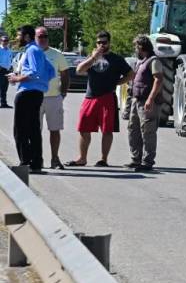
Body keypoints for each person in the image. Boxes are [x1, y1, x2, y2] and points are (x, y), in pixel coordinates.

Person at [67, 31, 133, 167]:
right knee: (83, 128)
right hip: (90, 97)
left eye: (104, 42)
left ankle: (103, 159)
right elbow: (79, 70)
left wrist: (118, 82)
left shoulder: (116, 59)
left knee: (107, 130)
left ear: (109, 43)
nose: (102, 45)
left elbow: (131, 74)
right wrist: (93, 58)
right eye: (99, 42)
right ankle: (82, 158)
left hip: (107, 97)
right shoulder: (91, 57)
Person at [7, 25, 55, 174]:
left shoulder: (32, 50)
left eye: (18, 35)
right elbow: (51, 71)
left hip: (27, 93)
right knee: (33, 129)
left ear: (27, 36)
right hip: (36, 93)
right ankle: (35, 164)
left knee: (20, 130)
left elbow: (34, 72)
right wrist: (40, 84)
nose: (17, 38)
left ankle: (25, 163)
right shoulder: (37, 50)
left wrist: (17, 78)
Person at [126, 35, 163, 172]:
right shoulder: (140, 61)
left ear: (141, 47)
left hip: (147, 102)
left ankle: (147, 162)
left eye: (136, 46)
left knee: (148, 131)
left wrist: (150, 99)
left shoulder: (154, 61)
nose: (135, 49)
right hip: (137, 100)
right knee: (133, 129)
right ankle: (136, 159)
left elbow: (158, 80)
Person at [35, 27, 70, 169]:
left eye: (45, 36)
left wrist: (63, 93)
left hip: (53, 98)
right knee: (35, 131)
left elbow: (65, 74)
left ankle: (55, 159)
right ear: (35, 38)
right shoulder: (30, 53)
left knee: (55, 130)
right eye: (40, 36)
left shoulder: (56, 54)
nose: (43, 39)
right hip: (34, 98)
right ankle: (37, 160)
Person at [0, 35, 13, 108]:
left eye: (7, 41)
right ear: (1, 41)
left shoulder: (9, 50)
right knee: (1, 87)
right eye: (4, 41)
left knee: (5, 87)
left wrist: (11, 67)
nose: (5, 42)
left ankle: (3, 103)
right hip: (1, 70)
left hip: (7, 71)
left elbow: (10, 60)